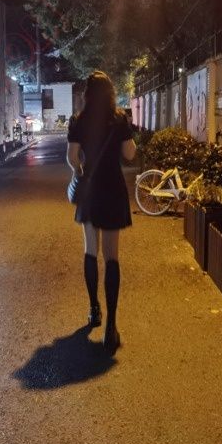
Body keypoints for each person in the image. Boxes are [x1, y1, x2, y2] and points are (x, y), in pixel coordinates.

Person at [66, 70, 136, 354]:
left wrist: (80, 171)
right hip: (113, 189)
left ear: (87, 94)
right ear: (110, 93)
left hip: (91, 190)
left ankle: (94, 309)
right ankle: (111, 327)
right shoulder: (119, 119)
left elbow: (72, 157)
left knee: (90, 251)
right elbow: (129, 154)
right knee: (112, 257)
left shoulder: (78, 121)